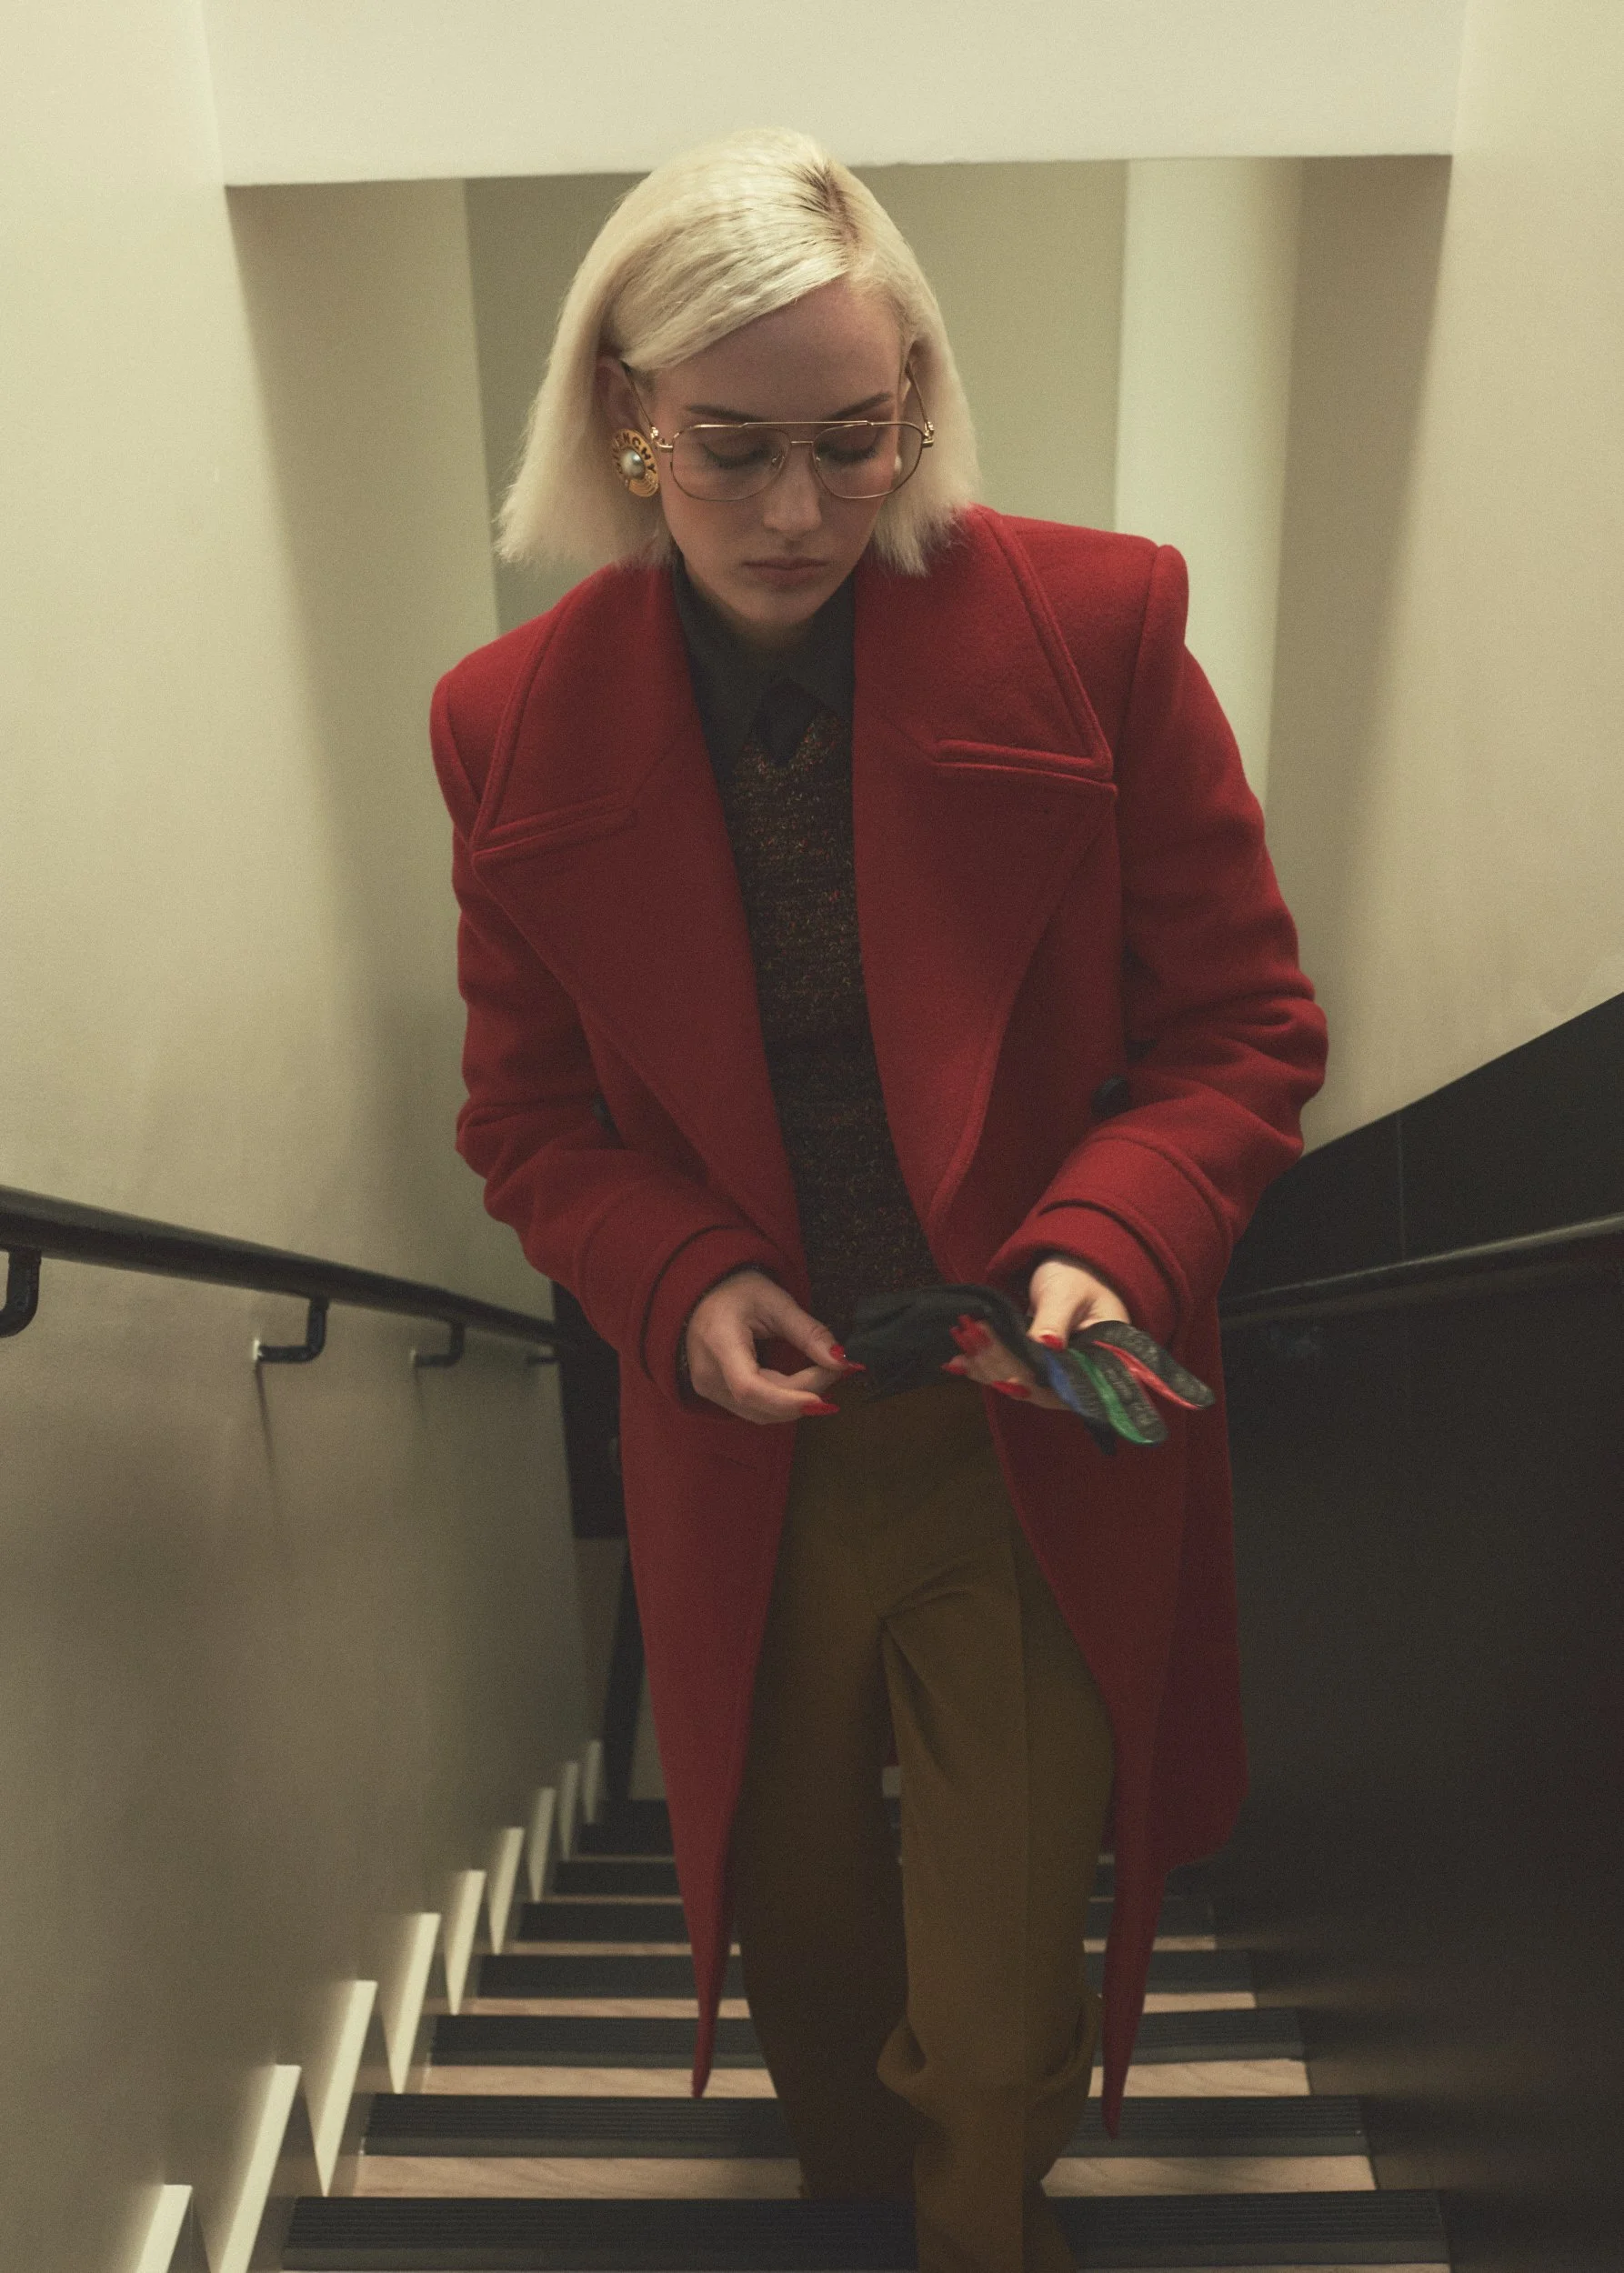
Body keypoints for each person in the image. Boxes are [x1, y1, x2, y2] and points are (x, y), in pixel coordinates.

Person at [429, 128, 1328, 2273]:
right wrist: (684, 1272)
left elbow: (1240, 1028)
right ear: (624, 419)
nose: (798, 511)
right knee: (803, 1928)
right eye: (728, 450)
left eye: (853, 440)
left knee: (1004, 1975)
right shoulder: (502, 721)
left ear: (914, 399)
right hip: (748, 1441)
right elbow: (526, 1115)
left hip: (1023, 1413)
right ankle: (850, 2189)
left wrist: (1100, 1240)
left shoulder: (1096, 624)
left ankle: (970, 2225)